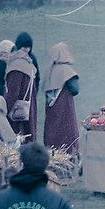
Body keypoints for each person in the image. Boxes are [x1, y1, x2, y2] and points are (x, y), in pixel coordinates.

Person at [41, 43, 82, 172]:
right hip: (65, 105)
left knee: (53, 131)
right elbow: (75, 89)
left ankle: (53, 159)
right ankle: (69, 160)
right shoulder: (66, 70)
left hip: (52, 108)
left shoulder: (50, 71)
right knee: (68, 131)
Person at [0, 33, 39, 140]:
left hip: (18, 113)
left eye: (2, 54)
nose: (1, 58)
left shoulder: (16, 67)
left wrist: (4, 111)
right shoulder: (27, 62)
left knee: (19, 140)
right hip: (29, 107)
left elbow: (12, 93)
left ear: (9, 53)